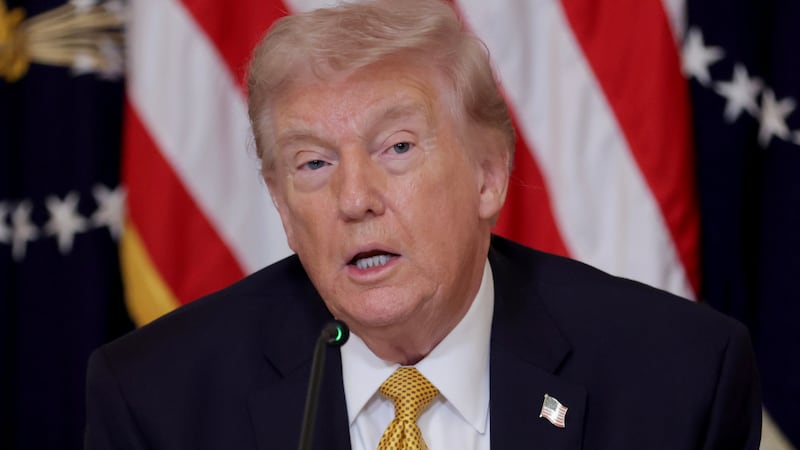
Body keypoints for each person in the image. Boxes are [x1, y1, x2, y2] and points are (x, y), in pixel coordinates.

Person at [84, 0, 761, 448]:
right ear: (283, 208)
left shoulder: (679, 381)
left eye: (398, 148)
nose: (354, 198)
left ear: (489, 175)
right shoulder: (159, 403)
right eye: (313, 163)